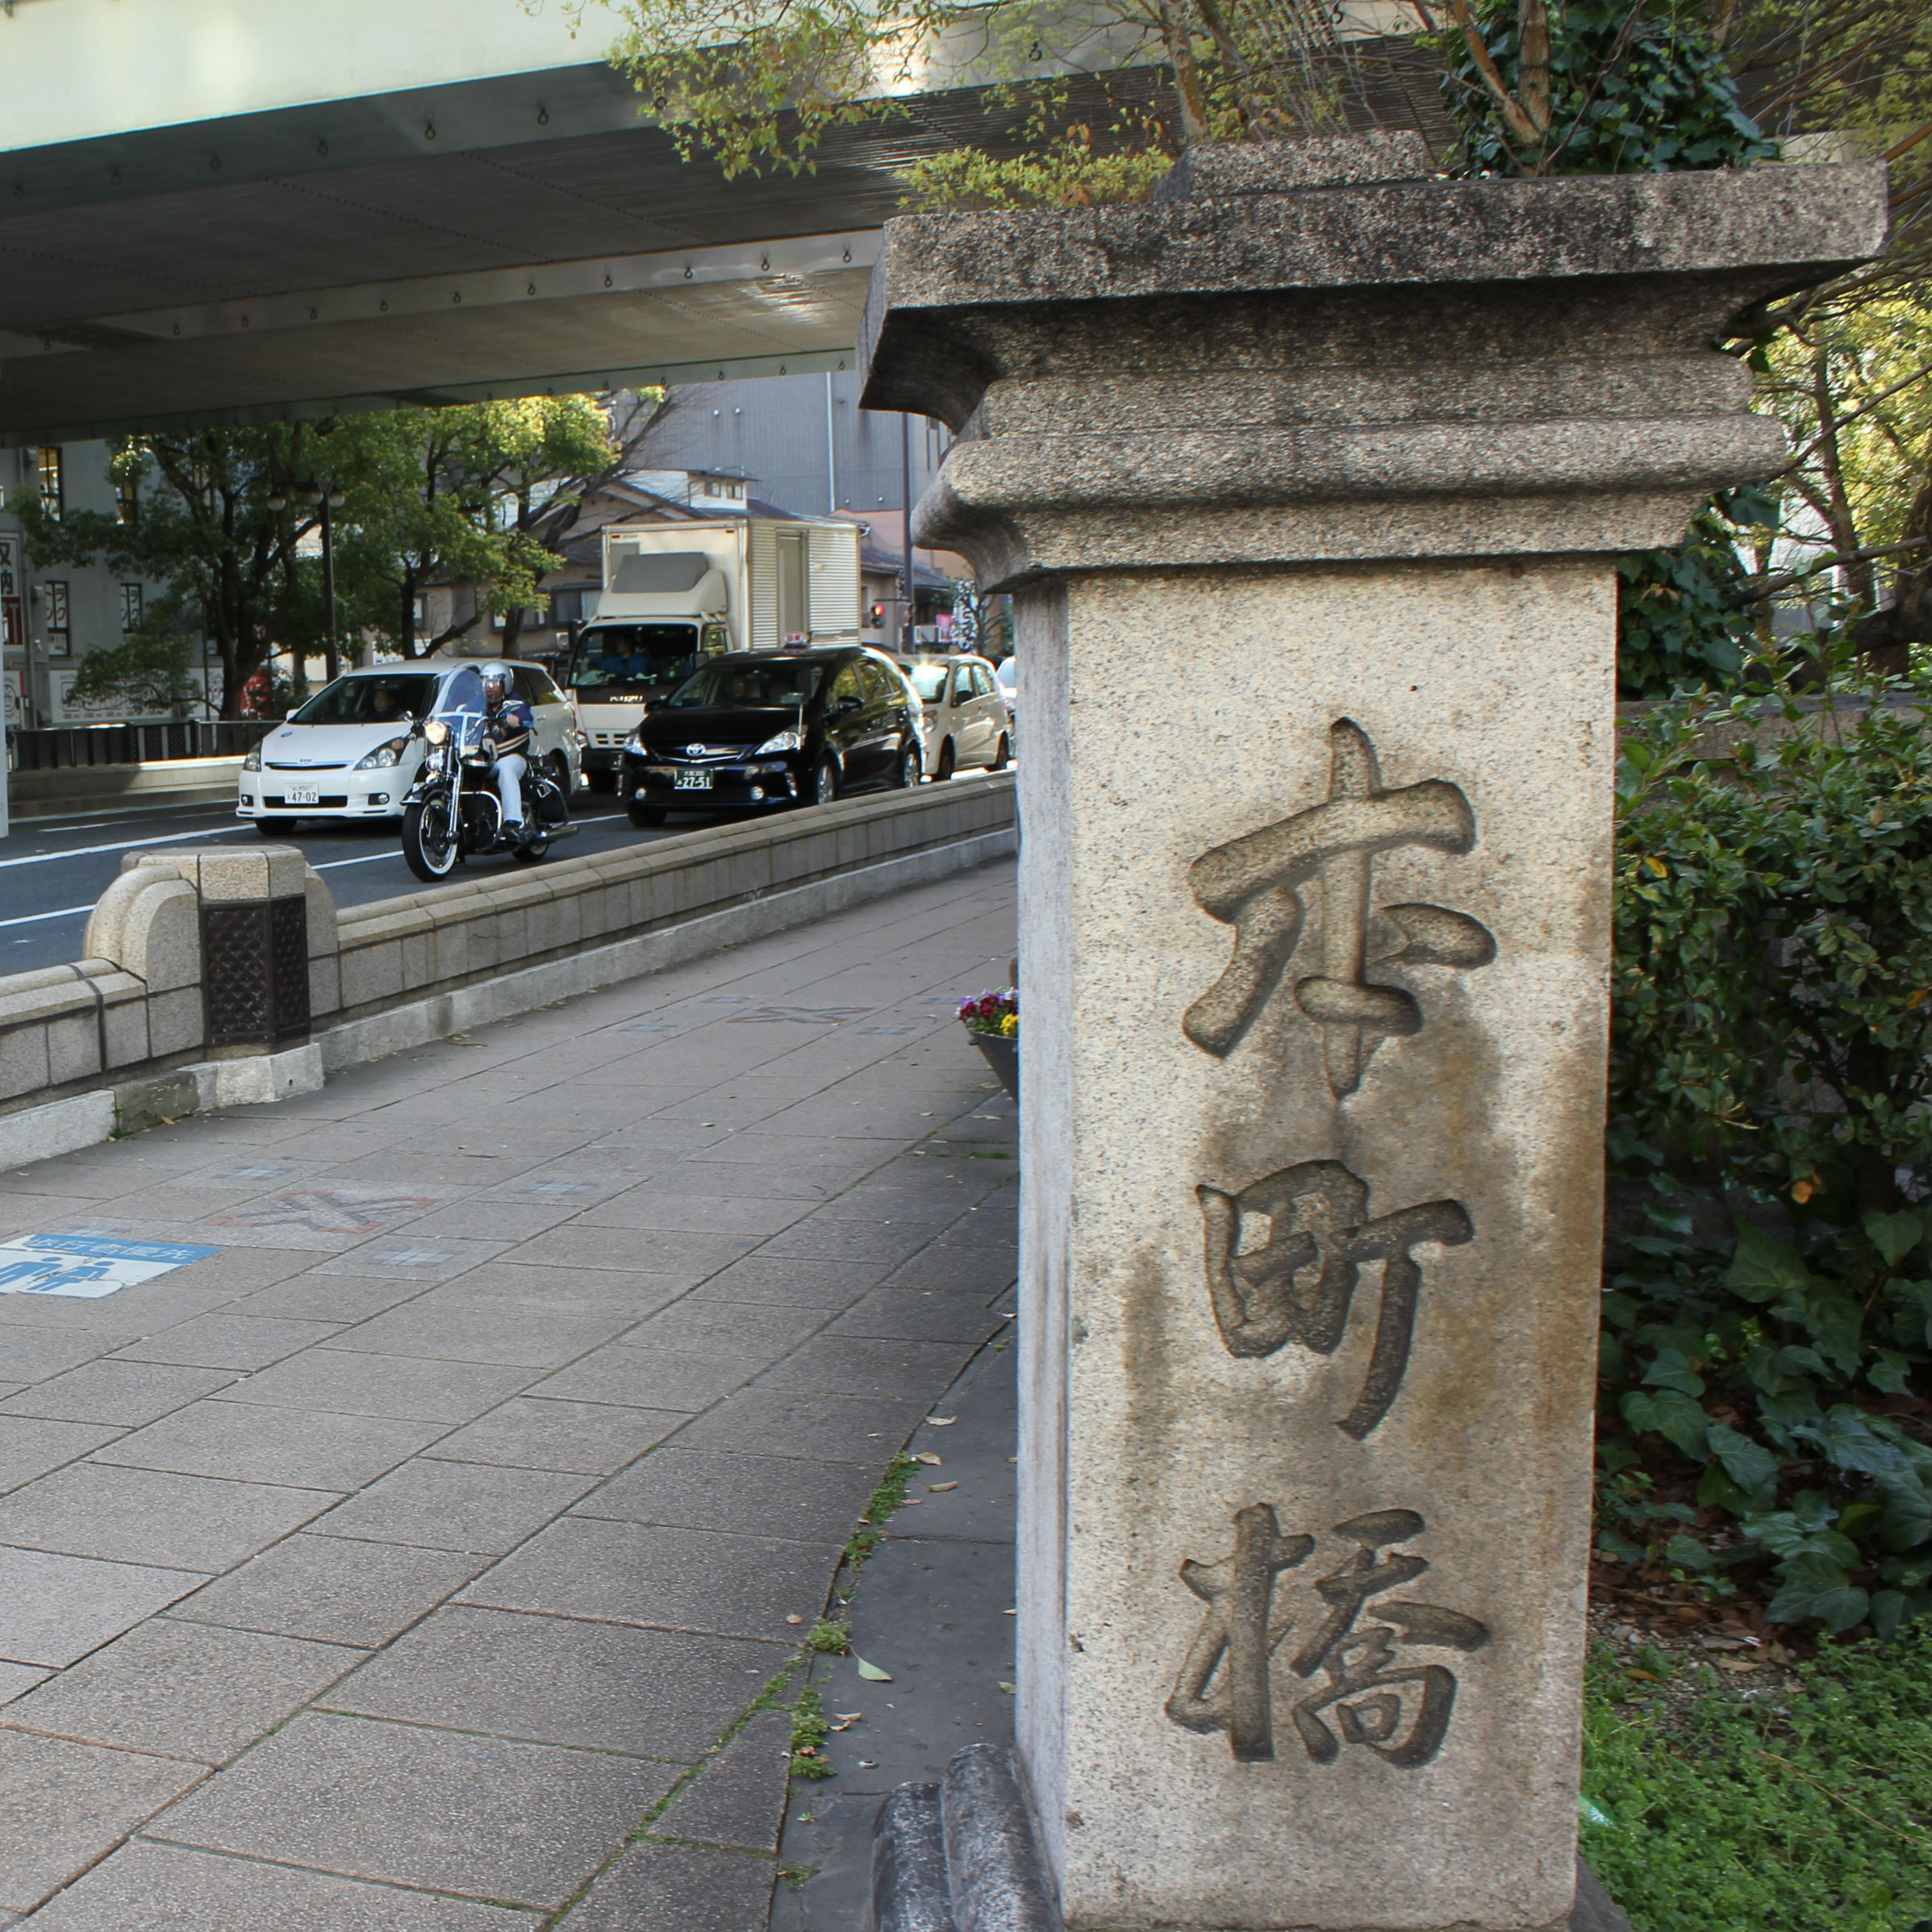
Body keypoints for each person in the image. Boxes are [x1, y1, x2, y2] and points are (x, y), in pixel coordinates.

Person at [478, 662, 535, 841]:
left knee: (506, 769)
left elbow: (526, 715)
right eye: (485, 683)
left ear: (505, 684)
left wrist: (516, 719)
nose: (489, 688)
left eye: (494, 683)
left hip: (512, 756)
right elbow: (459, 712)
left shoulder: (514, 701)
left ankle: (513, 823)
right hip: (485, 759)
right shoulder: (476, 705)